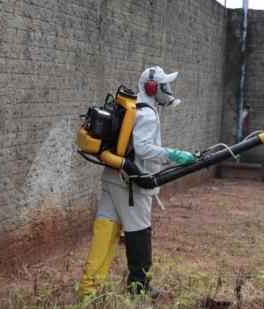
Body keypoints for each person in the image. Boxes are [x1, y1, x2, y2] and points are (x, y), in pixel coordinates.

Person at [82, 66, 195, 297]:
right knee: (139, 234)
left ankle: (90, 289)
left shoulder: (134, 108)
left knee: (105, 229)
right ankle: (139, 288)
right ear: (152, 87)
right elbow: (142, 149)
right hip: (131, 184)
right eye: (165, 86)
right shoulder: (147, 114)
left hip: (113, 178)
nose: (168, 91)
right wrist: (172, 154)